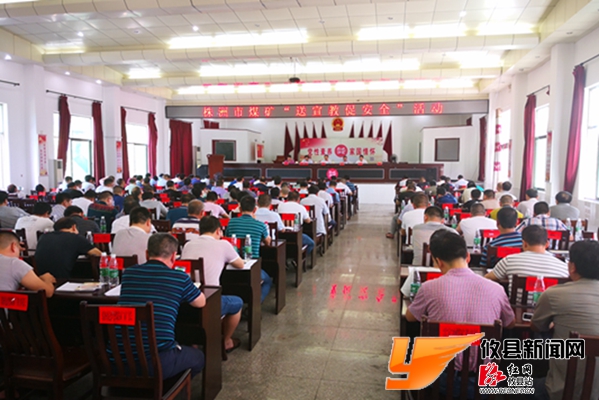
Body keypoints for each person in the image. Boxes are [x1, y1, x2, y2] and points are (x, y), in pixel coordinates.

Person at [406, 230, 515, 396]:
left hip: (440, 379)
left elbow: (410, 317)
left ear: (438, 262)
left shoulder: (428, 288)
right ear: (468, 257)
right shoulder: (497, 289)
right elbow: (510, 323)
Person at [119, 234, 206, 379]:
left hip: (118, 360)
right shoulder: (179, 278)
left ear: (147, 254)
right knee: (198, 357)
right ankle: (167, 387)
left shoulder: (128, 273)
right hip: (156, 363)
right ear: (174, 256)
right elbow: (200, 302)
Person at [531, 240, 599, 400]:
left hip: (560, 392)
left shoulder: (554, 294)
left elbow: (536, 326)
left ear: (572, 266)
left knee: (506, 384)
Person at [180, 216, 244, 353]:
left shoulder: (188, 245)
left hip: (187, 302)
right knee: (237, 302)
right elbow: (240, 264)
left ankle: (193, 342)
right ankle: (226, 341)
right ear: (218, 231)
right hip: (210, 303)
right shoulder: (223, 244)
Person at [485, 225, 568, 293]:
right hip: (550, 308)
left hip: (516, 307)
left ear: (524, 243)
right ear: (547, 244)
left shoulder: (509, 260)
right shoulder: (564, 267)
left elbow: (487, 279)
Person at [224, 196, 273, 302]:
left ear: (240, 209)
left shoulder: (231, 222)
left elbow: (227, 238)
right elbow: (268, 242)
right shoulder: (260, 225)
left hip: (231, 265)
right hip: (252, 266)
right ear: (255, 209)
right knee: (268, 281)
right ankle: (256, 302)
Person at [35, 217, 102, 279]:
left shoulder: (43, 237)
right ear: (74, 227)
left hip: (41, 278)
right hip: (63, 280)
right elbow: (99, 254)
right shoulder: (75, 238)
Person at [0, 230, 56, 296]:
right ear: (13, 246)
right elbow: (48, 292)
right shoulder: (14, 263)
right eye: (19, 249)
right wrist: (47, 279)